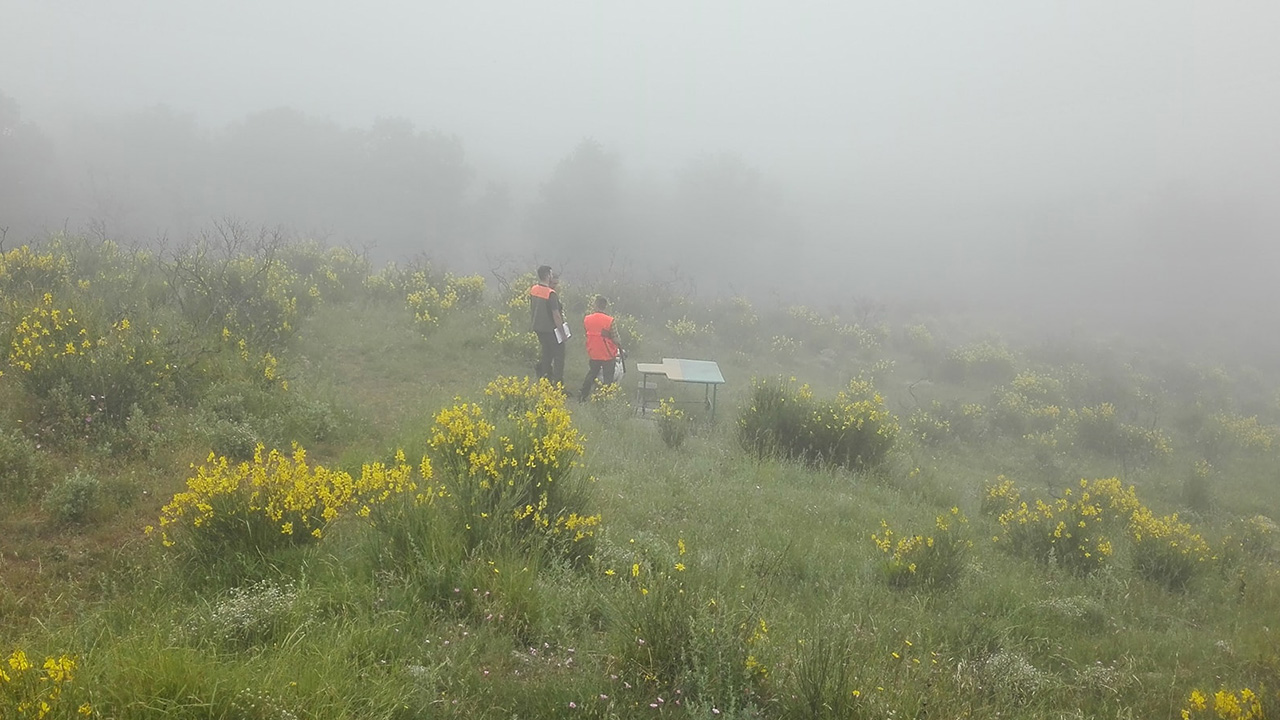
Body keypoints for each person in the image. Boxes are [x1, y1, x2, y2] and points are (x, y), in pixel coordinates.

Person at [580, 295, 622, 402]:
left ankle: (582, 396)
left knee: (592, 374)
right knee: (608, 378)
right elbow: (616, 339)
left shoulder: (587, 319)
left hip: (593, 352)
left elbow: (588, 333)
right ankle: (605, 399)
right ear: (605, 307)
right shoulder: (610, 321)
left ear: (595, 305)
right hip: (607, 354)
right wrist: (619, 347)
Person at [529, 265, 565, 386]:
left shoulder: (534, 289)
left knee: (546, 353)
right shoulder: (551, 294)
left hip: (538, 327)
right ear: (547, 275)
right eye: (550, 274)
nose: (551, 276)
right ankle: (558, 384)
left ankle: (545, 380)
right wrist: (562, 333)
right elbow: (556, 315)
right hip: (551, 330)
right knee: (559, 356)